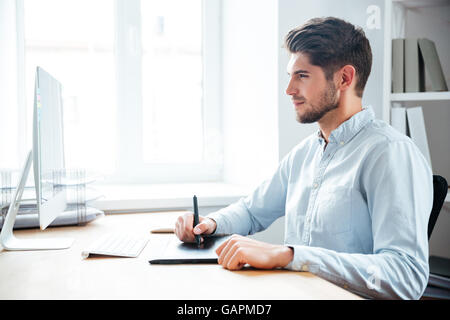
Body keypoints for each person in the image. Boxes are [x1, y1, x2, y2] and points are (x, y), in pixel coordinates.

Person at [174, 17, 433, 300]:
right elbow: (251, 211)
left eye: (302, 76)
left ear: (344, 78)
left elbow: (406, 276)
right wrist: (209, 223)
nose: (289, 90)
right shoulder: (305, 153)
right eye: (290, 75)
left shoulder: (390, 153)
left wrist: (290, 255)